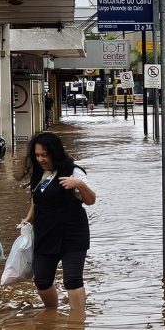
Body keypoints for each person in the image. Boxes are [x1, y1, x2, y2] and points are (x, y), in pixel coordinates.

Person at [20, 131, 96, 313]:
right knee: (42, 281)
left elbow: (91, 200)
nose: (40, 159)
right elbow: (36, 199)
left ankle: (77, 324)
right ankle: (51, 314)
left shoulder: (74, 172)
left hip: (72, 233)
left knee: (72, 279)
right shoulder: (40, 172)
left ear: (55, 152)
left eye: (44, 155)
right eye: (37, 155)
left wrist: (79, 185)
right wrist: (29, 217)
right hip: (45, 233)